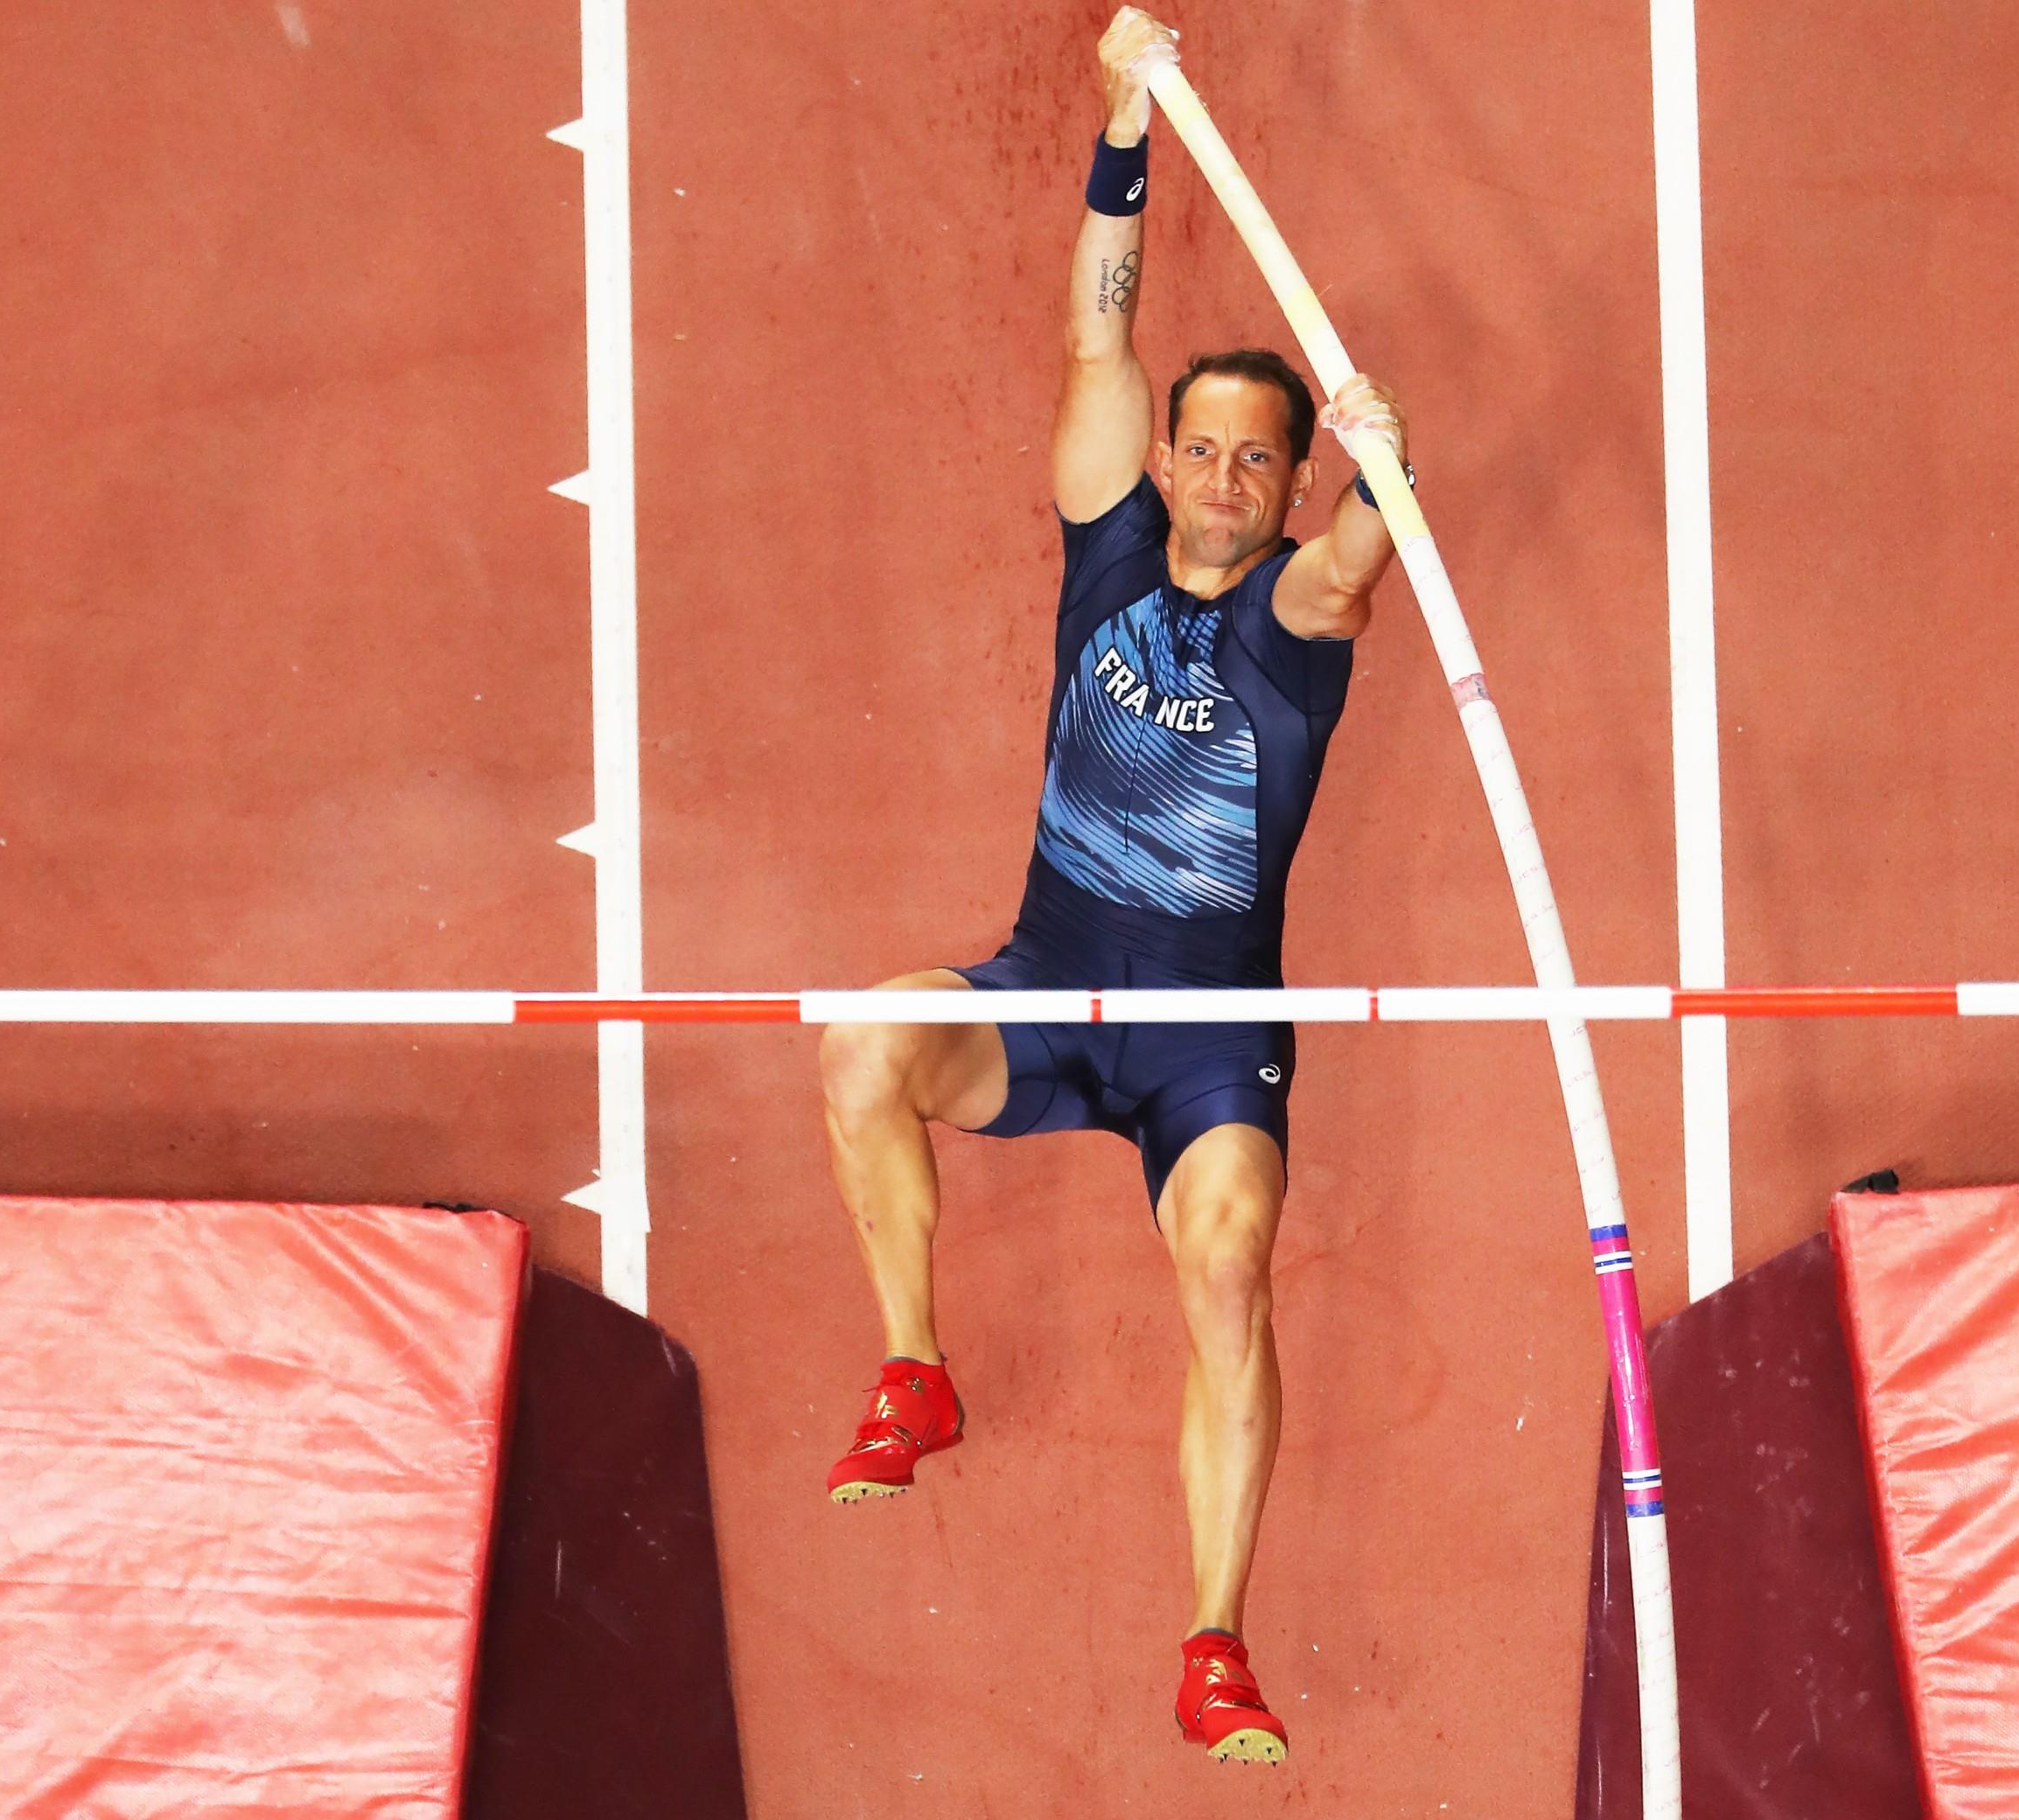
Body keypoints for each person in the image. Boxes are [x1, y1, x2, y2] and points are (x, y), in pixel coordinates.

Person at [816, 4, 1411, 1766]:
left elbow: (1364, 562)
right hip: (1044, 992)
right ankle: (912, 1367)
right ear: (1162, 459)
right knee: (866, 1047)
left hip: (1206, 1048)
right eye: (1201, 447)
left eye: (1257, 460)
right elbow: (1102, 325)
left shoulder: (1295, 622)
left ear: (1283, 485)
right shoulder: (1107, 541)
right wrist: (1121, 125)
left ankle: (1212, 1642)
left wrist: (1380, 465)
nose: (1221, 478)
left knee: (1228, 1272)